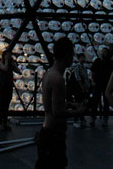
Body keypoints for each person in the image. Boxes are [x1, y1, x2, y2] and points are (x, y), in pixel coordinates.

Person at [36, 36, 86, 169]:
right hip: (54, 135)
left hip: (47, 131)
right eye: (72, 54)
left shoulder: (48, 74)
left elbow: (53, 104)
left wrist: (69, 104)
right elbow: (57, 112)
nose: (73, 58)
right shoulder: (58, 79)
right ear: (66, 55)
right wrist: (78, 112)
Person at [0, 50, 19, 130]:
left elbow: (18, 71)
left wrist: (13, 64)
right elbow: (5, 68)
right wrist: (7, 60)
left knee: (6, 105)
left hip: (8, 86)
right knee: (2, 105)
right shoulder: (1, 64)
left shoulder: (10, 64)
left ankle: (4, 123)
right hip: (2, 87)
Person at [67, 52, 95, 127]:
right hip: (78, 89)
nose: (83, 59)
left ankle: (81, 119)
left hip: (83, 88)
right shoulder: (77, 67)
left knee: (82, 103)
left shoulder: (84, 68)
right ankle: (77, 120)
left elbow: (85, 78)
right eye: (81, 57)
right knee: (79, 103)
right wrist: (82, 87)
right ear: (79, 59)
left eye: (83, 57)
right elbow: (78, 78)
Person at [92, 47, 113, 126]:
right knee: (95, 101)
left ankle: (105, 120)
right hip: (98, 84)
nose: (103, 53)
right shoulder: (97, 61)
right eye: (102, 52)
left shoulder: (110, 62)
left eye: (105, 52)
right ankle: (93, 118)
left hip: (106, 85)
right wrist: (93, 81)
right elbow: (92, 71)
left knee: (106, 102)